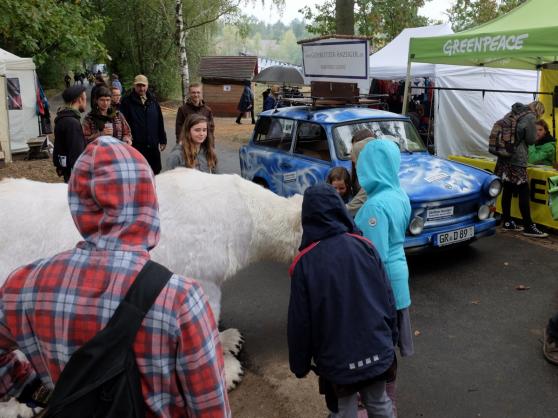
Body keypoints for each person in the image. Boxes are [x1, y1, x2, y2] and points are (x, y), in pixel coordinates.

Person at [0, 137, 231, 417]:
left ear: (78, 203)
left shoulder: (24, 286)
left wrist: (34, 390)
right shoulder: (181, 300)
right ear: (147, 201)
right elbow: (211, 410)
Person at [288, 183, 397, 418]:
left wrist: (299, 364)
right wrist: (391, 337)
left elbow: (300, 322)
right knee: (379, 402)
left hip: (336, 360)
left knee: (343, 410)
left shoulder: (304, 263)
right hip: (377, 347)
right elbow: (388, 298)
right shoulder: (366, 246)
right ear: (340, 209)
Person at [354, 139, 413, 416]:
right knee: (389, 344)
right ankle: (390, 400)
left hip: (382, 282)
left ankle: (375, 404)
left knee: (377, 347)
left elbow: (371, 255)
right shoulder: (399, 193)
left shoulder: (374, 206)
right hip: (400, 275)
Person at [495, 101, 548, 237]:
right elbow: (530, 139)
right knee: (524, 188)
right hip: (517, 158)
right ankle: (528, 226)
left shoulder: (513, 112)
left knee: (507, 187)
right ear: (538, 110)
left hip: (504, 155)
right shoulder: (530, 117)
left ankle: (507, 220)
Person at [120, 74, 167, 174]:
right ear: (134, 86)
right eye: (139, 86)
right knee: (139, 173)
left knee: (155, 171)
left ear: (147, 85)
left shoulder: (153, 100)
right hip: (136, 146)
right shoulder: (127, 101)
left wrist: (162, 139)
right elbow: (122, 123)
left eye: (143, 85)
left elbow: (159, 121)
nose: (141, 88)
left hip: (153, 145)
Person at [52, 85, 87, 183]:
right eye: (85, 99)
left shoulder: (63, 118)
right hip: (74, 173)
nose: (85, 103)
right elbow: (77, 153)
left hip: (66, 169)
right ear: (80, 99)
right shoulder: (72, 123)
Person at [346, 129, 375, 216]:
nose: (351, 155)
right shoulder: (354, 172)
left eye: (355, 151)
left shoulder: (373, 181)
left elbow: (352, 207)